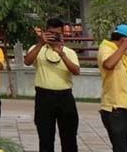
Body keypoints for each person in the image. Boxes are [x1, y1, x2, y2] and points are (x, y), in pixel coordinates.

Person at [24, 17, 80, 152]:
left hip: (65, 97)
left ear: (62, 34)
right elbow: (27, 61)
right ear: (45, 32)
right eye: (51, 33)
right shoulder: (37, 48)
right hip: (44, 97)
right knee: (45, 137)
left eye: (57, 34)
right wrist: (40, 43)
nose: (54, 36)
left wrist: (62, 54)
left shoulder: (69, 52)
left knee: (69, 138)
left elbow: (76, 71)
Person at [98, 23, 127, 152]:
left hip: (126, 105)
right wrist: (123, 48)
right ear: (123, 40)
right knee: (120, 148)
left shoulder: (124, 53)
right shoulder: (106, 48)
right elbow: (109, 64)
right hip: (116, 108)